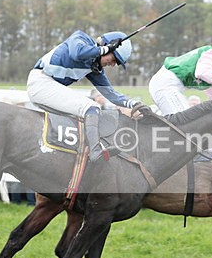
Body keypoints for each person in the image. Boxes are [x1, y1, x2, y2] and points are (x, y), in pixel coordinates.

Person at [28, 29, 139, 161]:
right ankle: (95, 151)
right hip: (40, 83)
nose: (113, 65)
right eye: (114, 59)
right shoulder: (80, 38)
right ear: (105, 47)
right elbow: (77, 54)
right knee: (91, 107)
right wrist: (103, 50)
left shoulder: (94, 68)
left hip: (47, 87)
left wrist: (134, 104)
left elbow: (111, 94)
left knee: (84, 114)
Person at [148, 37, 212, 115]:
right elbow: (202, 72)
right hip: (166, 85)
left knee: (190, 122)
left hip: (167, 85)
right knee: (186, 123)